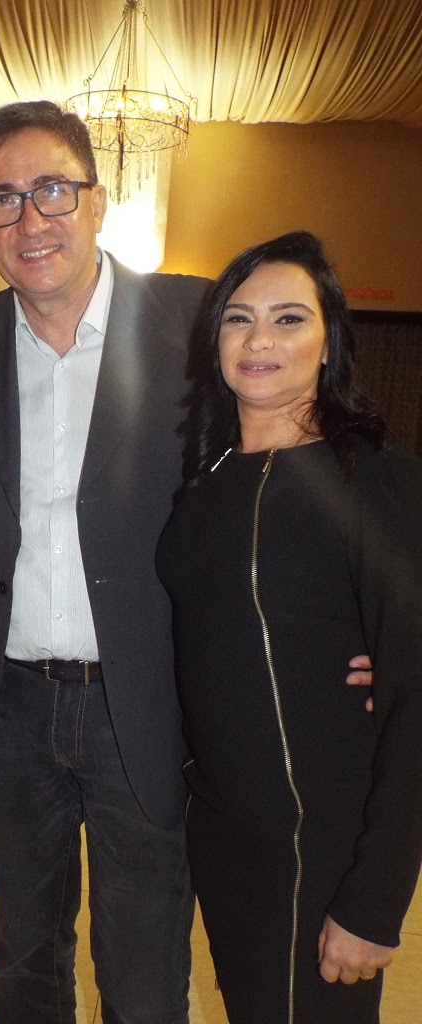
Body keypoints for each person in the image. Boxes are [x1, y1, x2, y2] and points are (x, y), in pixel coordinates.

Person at [0, 102, 372, 1024]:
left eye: (53, 189)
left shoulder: (197, 322)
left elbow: (304, 459)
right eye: (3, 200)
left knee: (144, 969)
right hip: (9, 705)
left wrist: (358, 622)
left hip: (148, 703)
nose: (32, 218)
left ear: (99, 200)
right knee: (25, 956)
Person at [156, 230, 422, 1024]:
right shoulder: (206, 479)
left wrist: (377, 900)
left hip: (321, 837)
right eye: (238, 319)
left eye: (289, 319)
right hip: (223, 834)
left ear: (330, 342)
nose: (260, 340)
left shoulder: (378, 479)